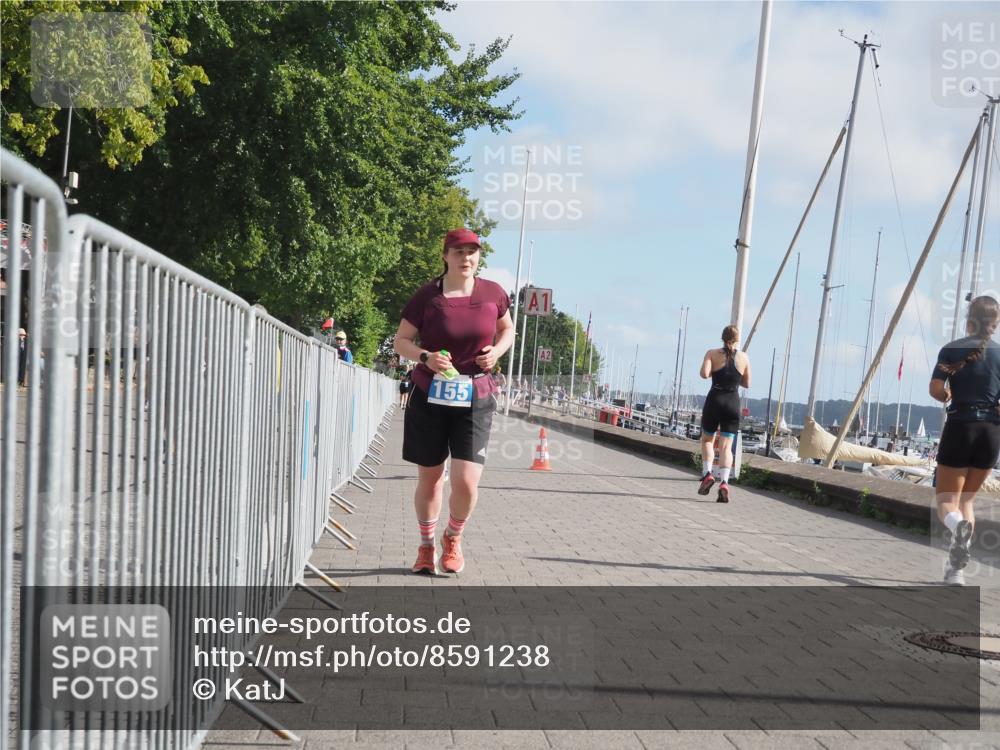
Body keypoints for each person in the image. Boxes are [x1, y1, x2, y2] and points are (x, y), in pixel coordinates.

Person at [393, 227, 514, 575]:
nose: (466, 258)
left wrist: (497, 352)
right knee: (430, 479)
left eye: (472, 252)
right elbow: (402, 340)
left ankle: (453, 538)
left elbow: (508, 330)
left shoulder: (493, 293)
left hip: (475, 395)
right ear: (445, 256)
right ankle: (426, 546)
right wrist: (425, 356)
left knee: (465, 481)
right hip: (430, 394)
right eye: (459, 252)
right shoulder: (427, 297)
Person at [929, 295, 1000, 586]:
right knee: (967, 498)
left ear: (969, 320)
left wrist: (946, 395)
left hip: (961, 426)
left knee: (948, 501)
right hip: (991, 432)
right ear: (994, 324)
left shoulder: (951, 349)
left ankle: (958, 528)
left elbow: (936, 389)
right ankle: (955, 571)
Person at [697, 325, 751, 503]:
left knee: (707, 440)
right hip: (733, 402)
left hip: (715, 399)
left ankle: (707, 474)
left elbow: (704, 374)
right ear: (737, 339)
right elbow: (747, 383)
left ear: (722, 337)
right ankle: (725, 483)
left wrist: (714, 368)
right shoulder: (744, 357)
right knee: (727, 446)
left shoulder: (711, 353)